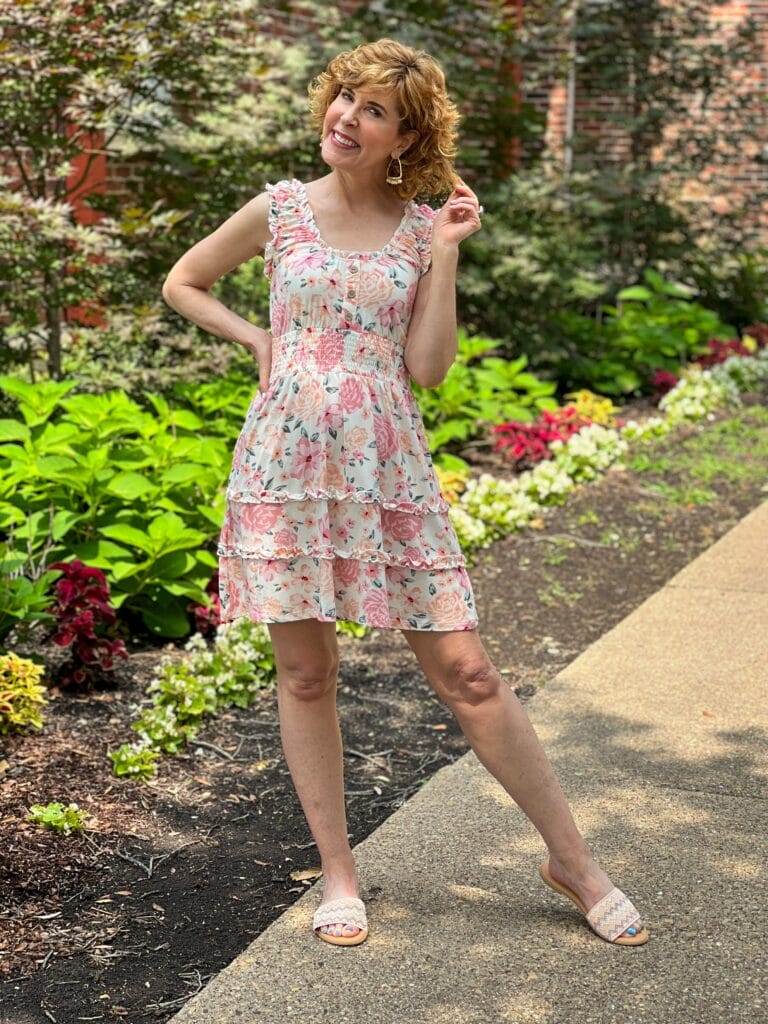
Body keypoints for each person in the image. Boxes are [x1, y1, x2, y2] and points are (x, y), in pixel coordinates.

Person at [162, 38, 649, 949]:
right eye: (342, 95)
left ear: (405, 136)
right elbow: (183, 280)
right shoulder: (279, 211)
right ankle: (339, 876)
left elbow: (426, 369)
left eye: (374, 108)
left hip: (387, 472)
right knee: (307, 675)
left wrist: (449, 252)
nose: (346, 115)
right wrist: (258, 340)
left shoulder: (425, 227)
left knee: (469, 672)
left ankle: (574, 862)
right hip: (286, 471)